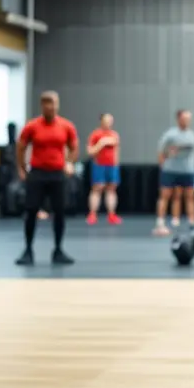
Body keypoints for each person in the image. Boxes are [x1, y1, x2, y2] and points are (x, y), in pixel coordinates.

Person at [15, 91, 79, 265]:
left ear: (58, 105)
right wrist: (21, 168)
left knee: (59, 212)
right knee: (31, 211)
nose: (50, 107)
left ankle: (58, 250)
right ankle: (28, 250)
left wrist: (69, 163)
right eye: (47, 104)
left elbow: (74, 147)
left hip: (58, 174)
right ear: (42, 106)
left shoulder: (66, 126)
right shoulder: (32, 126)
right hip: (37, 173)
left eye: (53, 104)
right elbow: (21, 147)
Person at [156, 109, 194, 236]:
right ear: (179, 119)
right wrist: (163, 166)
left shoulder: (192, 135)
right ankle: (160, 222)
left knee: (190, 197)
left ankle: (192, 223)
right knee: (165, 196)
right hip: (170, 170)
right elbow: (161, 151)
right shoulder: (170, 135)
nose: (187, 121)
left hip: (188, 171)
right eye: (185, 118)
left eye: (189, 119)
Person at [86, 113, 121, 226]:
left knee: (111, 189)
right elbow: (90, 151)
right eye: (106, 120)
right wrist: (101, 143)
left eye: (110, 120)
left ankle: (111, 214)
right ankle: (92, 214)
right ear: (101, 121)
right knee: (97, 189)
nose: (108, 123)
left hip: (112, 166)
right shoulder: (95, 134)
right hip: (99, 165)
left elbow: (116, 151)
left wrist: (116, 165)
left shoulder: (114, 135)